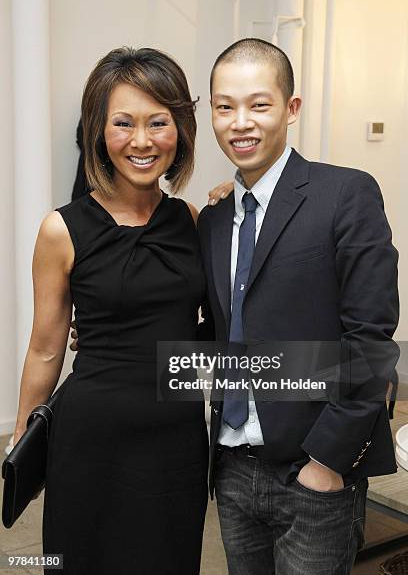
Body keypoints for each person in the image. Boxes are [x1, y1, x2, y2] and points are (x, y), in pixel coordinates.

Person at [197, 38, 399, 574]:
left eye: (259, 105)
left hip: (313, 468)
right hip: (233, 466)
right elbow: (213, 330)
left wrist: (327, 462)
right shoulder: (214, 219)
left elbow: (371, 338)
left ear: (291, 109)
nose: (240, 122)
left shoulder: (345, 194)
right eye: (225, 106)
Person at [12, 46, 210, 575]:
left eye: (158, 123)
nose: (141, 141)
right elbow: (47, 345)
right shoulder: (62, 229)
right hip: (91, 440)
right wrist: (20, 442)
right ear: (99, 130)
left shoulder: (193, 219)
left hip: (177, 442)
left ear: (181, 130)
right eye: (123, 123)